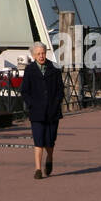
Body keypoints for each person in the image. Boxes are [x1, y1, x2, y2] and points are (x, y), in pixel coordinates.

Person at [21, 41, 65, 179]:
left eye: (43, 53)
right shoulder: (30, 70)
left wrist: (57, 102)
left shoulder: (54, 68)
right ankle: (38, 169)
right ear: (33, 55)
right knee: (38, 141)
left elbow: (60, 89)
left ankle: (50, 158)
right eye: (38, 54)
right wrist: (31, 104)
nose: (41, 56)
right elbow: (24, 91)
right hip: (37, 112)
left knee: (50, 141)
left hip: (52, 111)